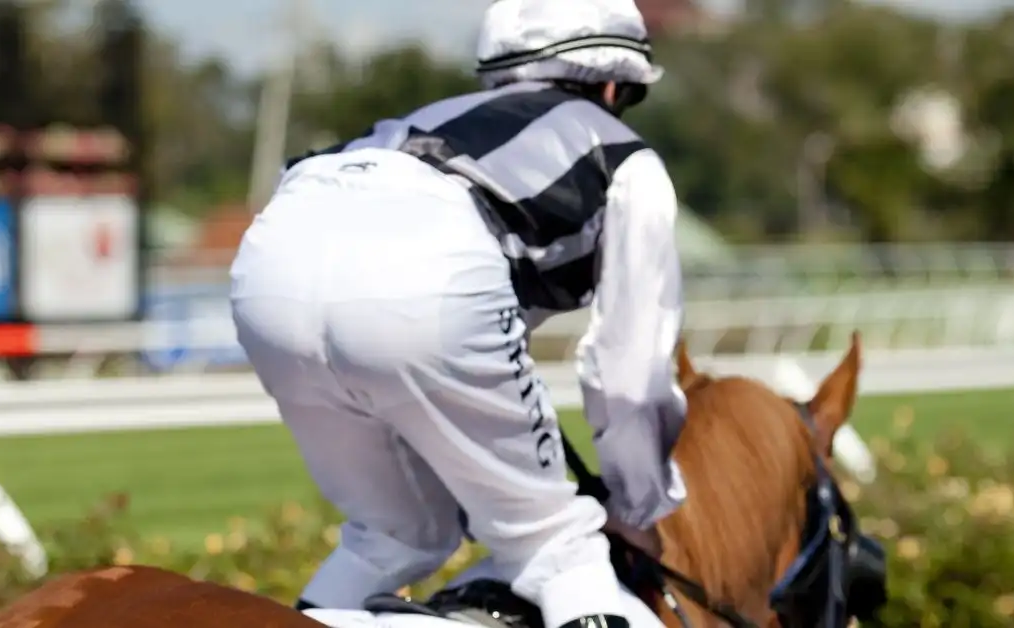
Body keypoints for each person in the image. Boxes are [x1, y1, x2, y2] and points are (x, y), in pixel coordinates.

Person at [229, 1, 687, 627]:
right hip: (426, 270)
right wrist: (638, 506)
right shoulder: (630, 160)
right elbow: (629, 368)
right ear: (616, 84)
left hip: (270, 265)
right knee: (560, 548)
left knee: (397, 534)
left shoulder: (426, 117)